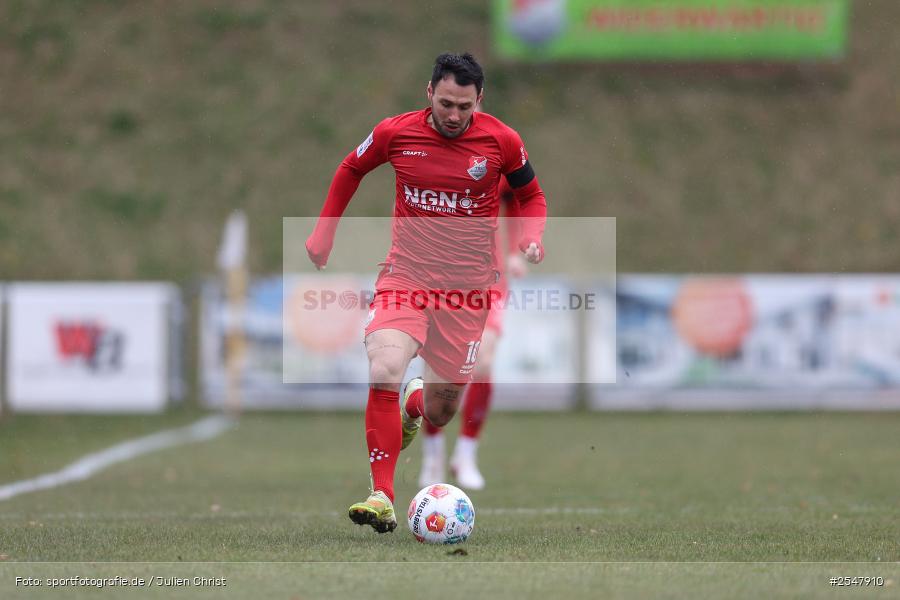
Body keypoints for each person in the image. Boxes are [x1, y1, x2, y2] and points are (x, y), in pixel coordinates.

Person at [306, 52, 547, 534]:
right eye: (444, 103)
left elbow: (531, 194)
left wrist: (531, 236)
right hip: (406, 277)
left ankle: (415, 403)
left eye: (463, 106)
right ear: (428, 94)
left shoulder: (502, 141)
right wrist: (324, 231)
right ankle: (382, 495)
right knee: (385, 367)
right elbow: (351, 168)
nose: (453, 115)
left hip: (467, 294)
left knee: (440, 409)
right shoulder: (397, 132)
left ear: (480, 99)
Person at [418, 177, 528, 491]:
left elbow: (517, 198)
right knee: (438, 369)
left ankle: (466, 454)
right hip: (439, 277)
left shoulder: (496, 154)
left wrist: (516, 250)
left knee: (482, 361)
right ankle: (433, 456)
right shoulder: (430, 154)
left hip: (488, 278)